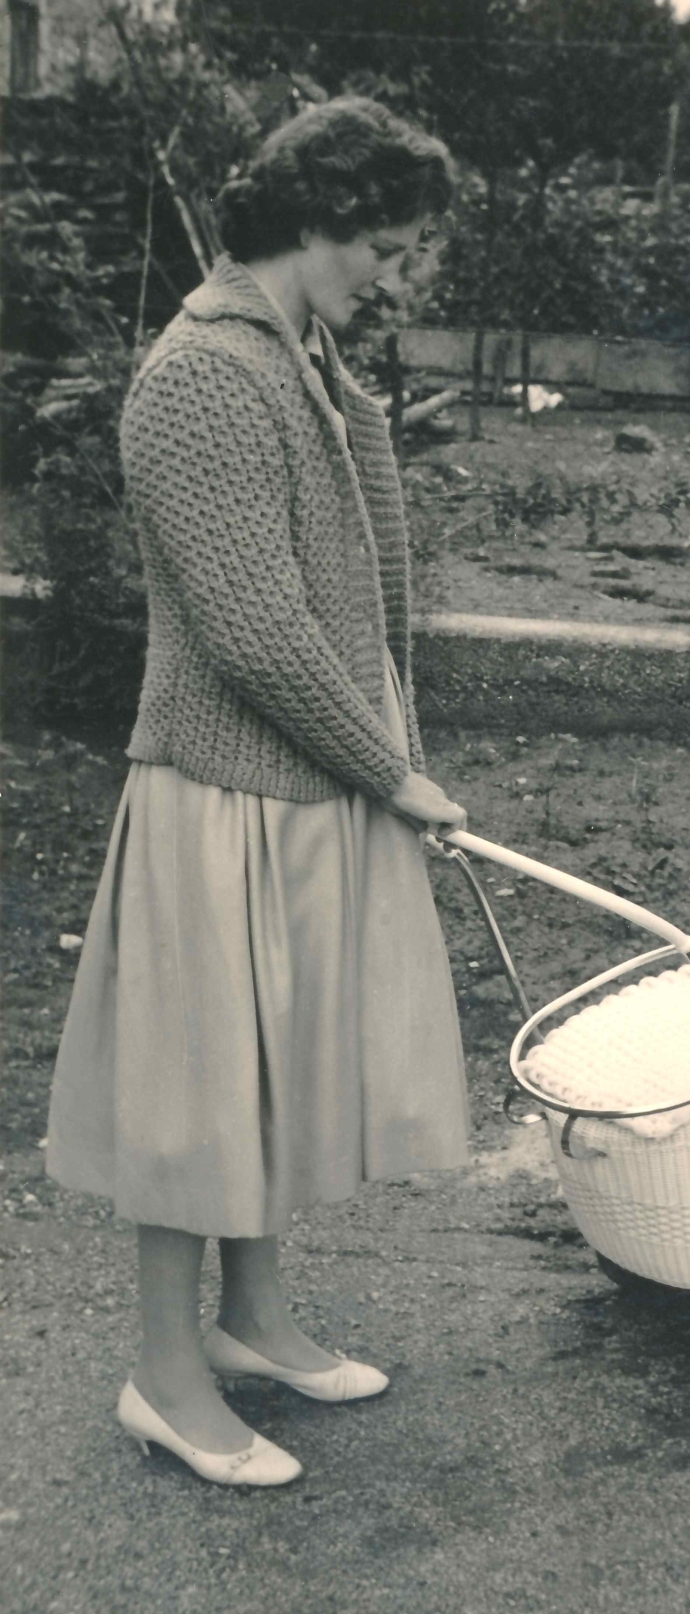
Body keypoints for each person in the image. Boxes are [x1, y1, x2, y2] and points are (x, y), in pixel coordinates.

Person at [46, 98, 470, 1487]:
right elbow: (253, 626)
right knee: (195, 1087)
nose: (401, 275)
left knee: (264, 1073)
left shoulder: (304, 357)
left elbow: (352, 587)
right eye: (392, 245)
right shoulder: (200, 377)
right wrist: (392, 770)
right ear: (321, 220)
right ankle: (165, 1378)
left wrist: (381, 749)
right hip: (217, 791)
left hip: (298, 782)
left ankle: (252, 1321)